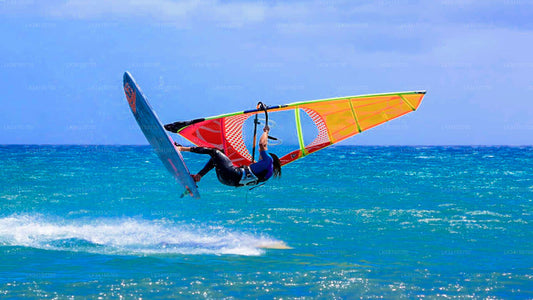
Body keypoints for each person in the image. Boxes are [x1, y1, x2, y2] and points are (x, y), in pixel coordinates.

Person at [175, 125, 281, 187]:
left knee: (215, 152)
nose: (260, 155)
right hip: (228, 181)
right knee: (219, 156)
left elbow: (262, 144)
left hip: (232, 174)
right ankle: (198, 176)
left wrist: (266, 132)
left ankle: (181, 148)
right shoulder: (267, 174)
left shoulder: (269, 160)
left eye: (261, 156)